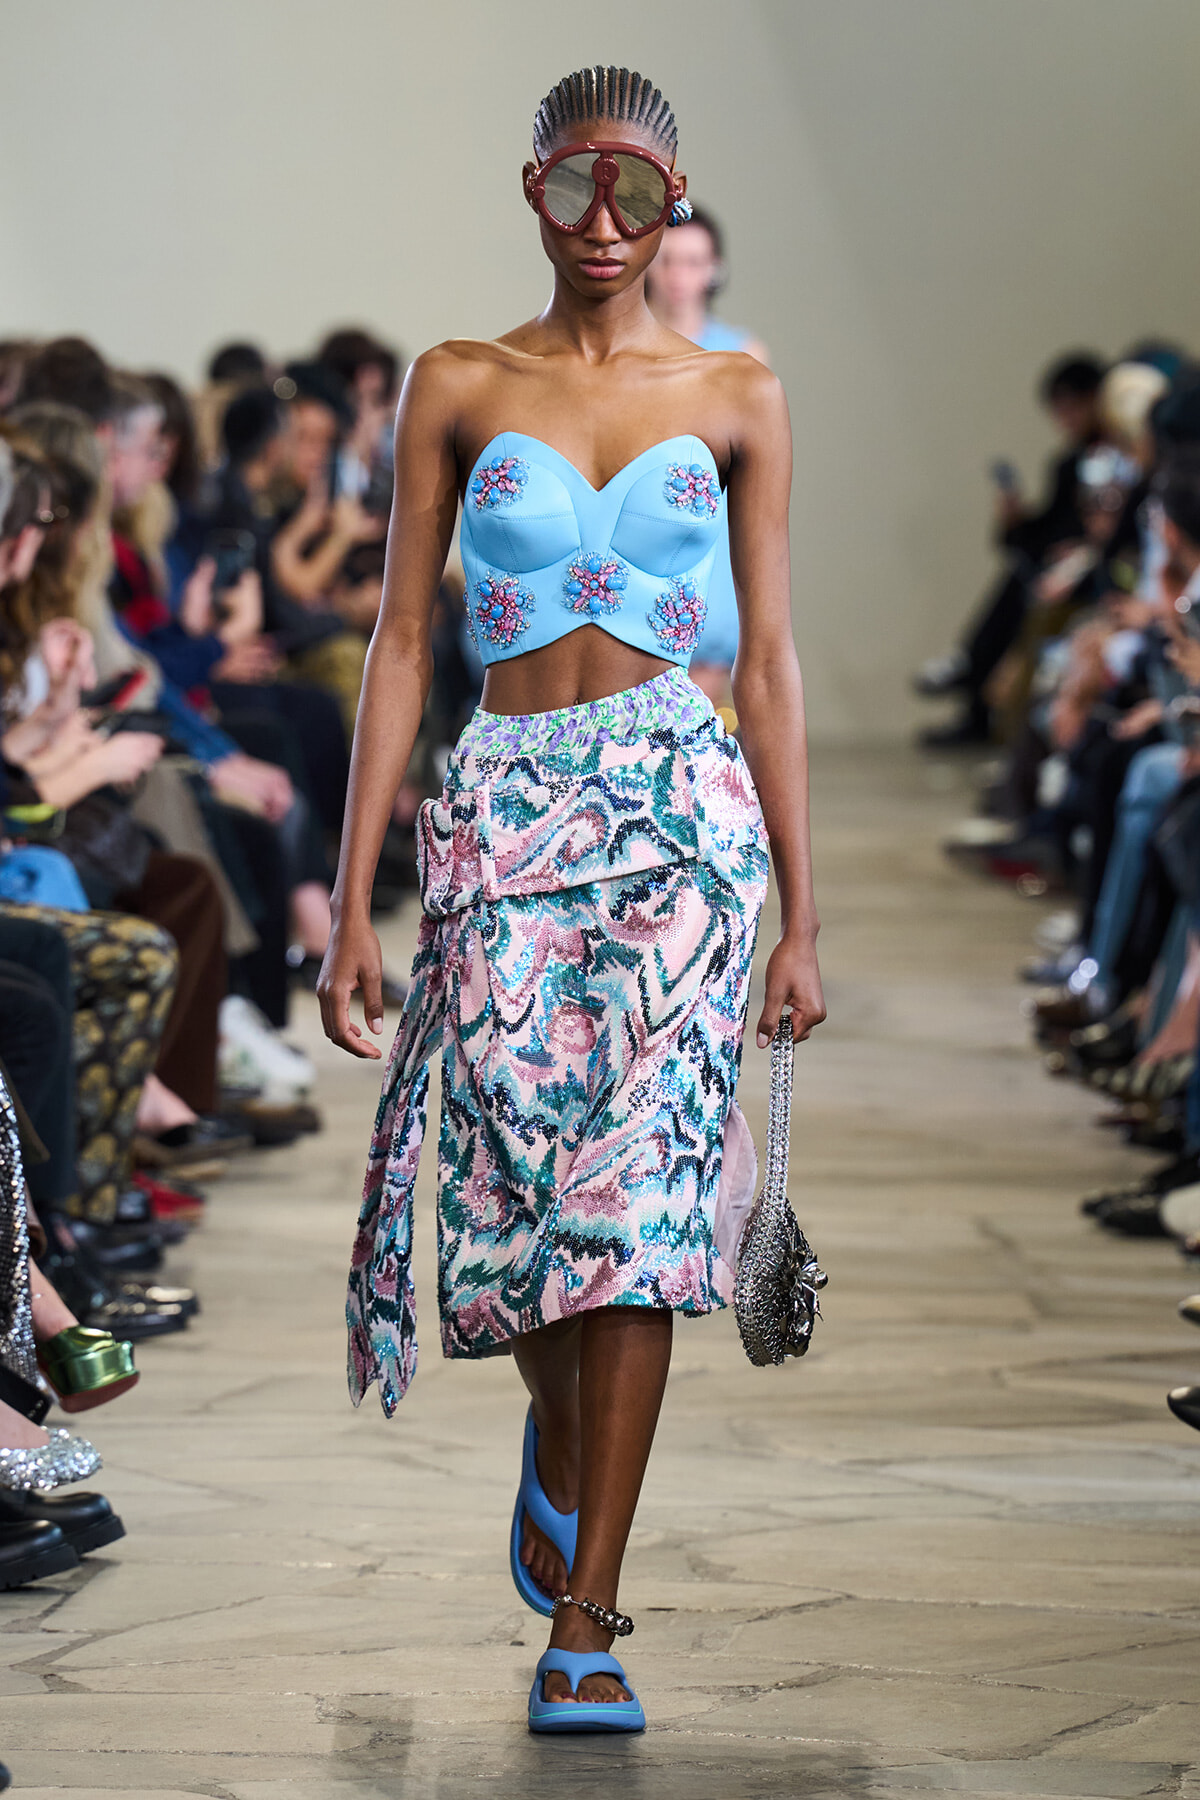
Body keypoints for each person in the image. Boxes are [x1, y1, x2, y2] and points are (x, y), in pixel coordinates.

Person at [318, 64, 825, 1731]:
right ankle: (559, 1431)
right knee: (516, 1205)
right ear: (530, 191)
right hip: (507, 816)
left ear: (674, 201)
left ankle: (588, 1619)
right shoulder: (459, 382)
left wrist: (799, 916)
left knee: (640, 1219)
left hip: (682, 823)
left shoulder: (737, 392)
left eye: (637, 189)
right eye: (572, 187)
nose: (604, 223)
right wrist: (346, 900)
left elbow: (767, 660)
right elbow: (403, 639)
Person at [647, 204, 768, 705]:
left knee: (702, 695)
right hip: (644, 522)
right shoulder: (624, 349)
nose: (679, 275)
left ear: (716, 269)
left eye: (694, 261)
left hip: (708, 525)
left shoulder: (742, 354)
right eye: (669, 259)